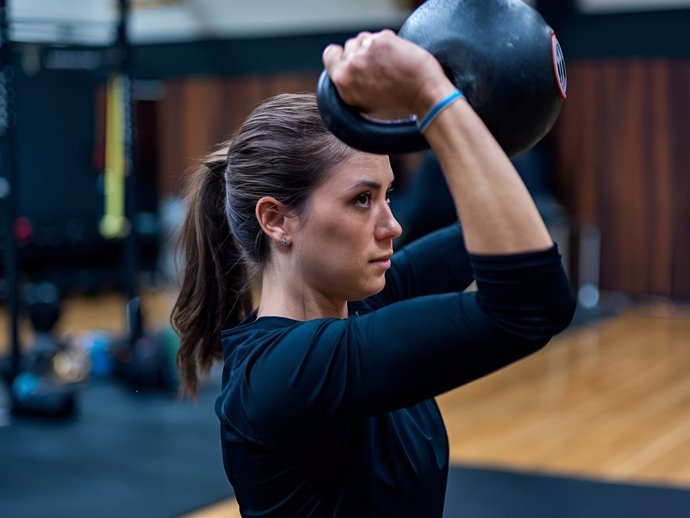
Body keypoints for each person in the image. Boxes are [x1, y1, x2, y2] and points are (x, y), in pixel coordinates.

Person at [171, 30, 575, 518]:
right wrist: (430, 95)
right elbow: (530, 305)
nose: (393, 225)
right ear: (277, 219)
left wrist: (462, 108)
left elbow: (502, 233)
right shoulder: (283, 376)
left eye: (387, 194)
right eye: (362, 200)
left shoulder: (360, 303)